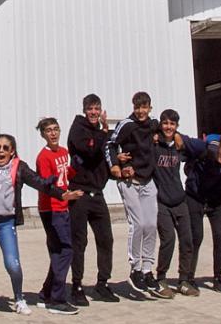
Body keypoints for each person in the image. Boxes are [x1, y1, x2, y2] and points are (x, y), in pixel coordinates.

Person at [0, 83, 82, 318]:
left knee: (13, 265)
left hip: (5, 223)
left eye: (5, 148)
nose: (1, 151)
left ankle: (19, 299)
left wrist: (61, 194)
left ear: (13, 151)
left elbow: (41, 182)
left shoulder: (19, 167)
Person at [65, 94, 118, 306]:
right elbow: (90, 149)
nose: (94, 113)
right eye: (90, 109)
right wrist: (105, 133)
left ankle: (102, 283)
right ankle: (77, 286)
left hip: (98, 193)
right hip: (80, 194)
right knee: (79, 242)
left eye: (97, 108)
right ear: (84, 110)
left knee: (106, 239)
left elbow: (106, 156)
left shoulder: (102, 133)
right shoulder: (78, 129)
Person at [106, 91, 161, 295]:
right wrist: (115, 164)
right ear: (133, 106)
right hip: (130, 181)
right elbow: (110, 144)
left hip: (148, 180)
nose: (140, 111)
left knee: (151, 225)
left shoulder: (153, 123)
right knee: (137, 224)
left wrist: (159, 137)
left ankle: (147, 269)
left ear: (150, 107)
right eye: (137, 107)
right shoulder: (126, 124)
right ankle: (135, 269)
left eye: (144, 106)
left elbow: (165, 131)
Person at [184, 132, 221, 293]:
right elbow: (187, 146)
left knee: (219, 236)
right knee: (196, 236)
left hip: (215, 201)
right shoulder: (206, 152)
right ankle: (189, 277)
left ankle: (217, 278)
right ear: (219, 147)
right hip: (195, 197)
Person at [34, 117, 79, 315]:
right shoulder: (43, 157)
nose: (53, 133)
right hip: (51, 209)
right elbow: (46, 184)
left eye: (55, 129)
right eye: (48, 130)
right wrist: (63, 193)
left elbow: (66, 174)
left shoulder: (63, 152)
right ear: (43, 134)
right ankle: (57, 298)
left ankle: (46, 293)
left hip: (63, 207)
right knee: (64, 251)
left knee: (59, 251)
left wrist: (77, 167)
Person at [153, 109, 197, 298]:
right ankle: (161, 279)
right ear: (160, 125)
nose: (168, 127)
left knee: (187, 241)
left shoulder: (180, 147)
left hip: (180, 201)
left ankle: (184, 280)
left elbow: (200, 149)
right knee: (168, 240)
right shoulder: (154, 145)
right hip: (161, 202)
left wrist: (179, 137)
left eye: (172, 124)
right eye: (165, 123)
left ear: (177, 126)